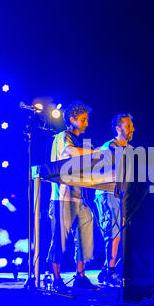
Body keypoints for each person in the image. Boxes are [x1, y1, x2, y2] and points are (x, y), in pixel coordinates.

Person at [47, 101, 98, 292]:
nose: (86, 123)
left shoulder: (80, 141)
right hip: (62, 197)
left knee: (86, 232)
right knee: (59, 239)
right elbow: (72, 154)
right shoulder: (62, 137)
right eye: (83, 120)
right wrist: (98, 153)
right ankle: (57, 280)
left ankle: (80, 276)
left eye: (87, 120)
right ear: (72, 119)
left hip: (78, 198)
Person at [95, 113, 135, 286]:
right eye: (128, 126)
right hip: (107, 193)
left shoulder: (131, 149)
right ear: (118, 128)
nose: (132, 129)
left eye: (132, 126)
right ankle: (109, 271)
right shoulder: (109, 147)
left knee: (120, 233)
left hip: (122, 195)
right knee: (113, 232)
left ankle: (107, 270)